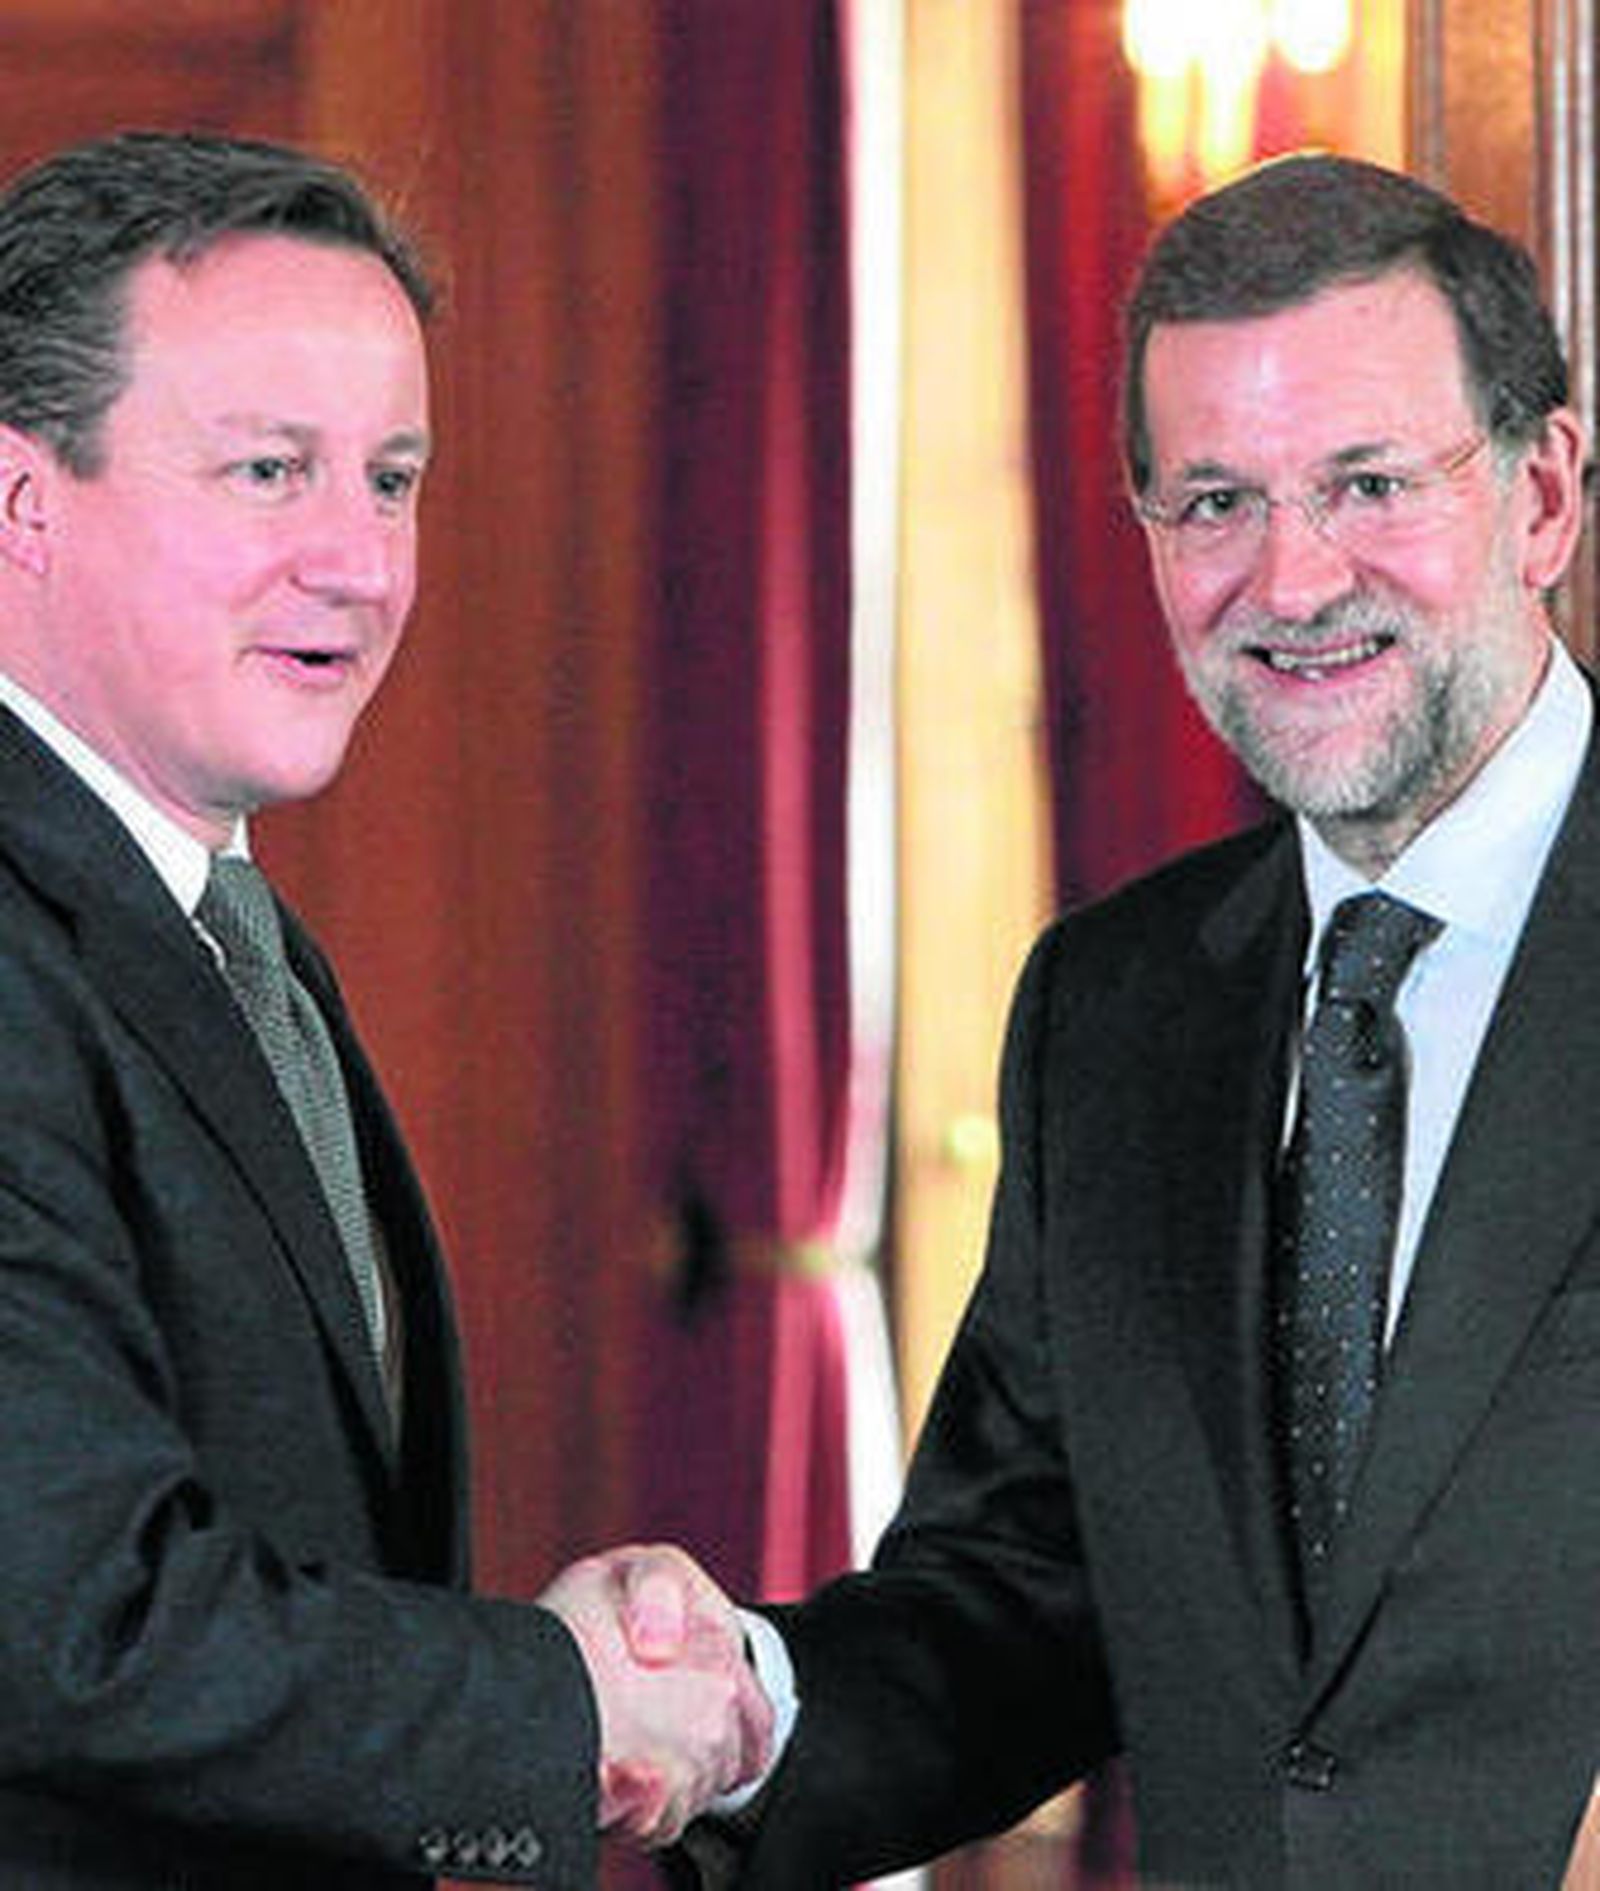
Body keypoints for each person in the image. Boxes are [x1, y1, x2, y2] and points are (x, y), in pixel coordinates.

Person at [662, 152, 1600, 1887]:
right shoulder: (1112, 1010)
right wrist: (737, 1711)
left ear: (1543, 495)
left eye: (1371, 483)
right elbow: (1024, 1599)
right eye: (1216, 504)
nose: (1295, 581)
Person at [0, 128, 769, 1889]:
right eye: (270, 473)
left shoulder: (211, 922)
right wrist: (561, 1706)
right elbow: (73, 1621)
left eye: (394, 479)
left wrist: (560, 1683)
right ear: (24, 501)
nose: (358, 561)